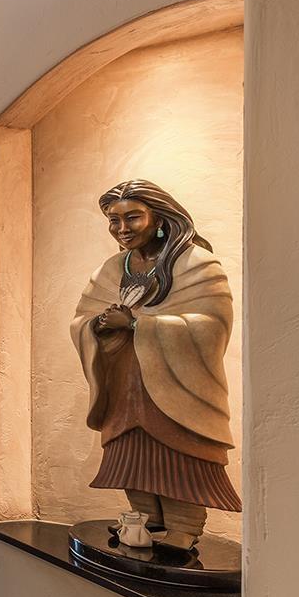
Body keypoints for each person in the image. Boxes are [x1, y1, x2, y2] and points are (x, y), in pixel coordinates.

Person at [71, 179, 239, 550]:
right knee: (128, 452)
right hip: (123, 380)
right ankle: (144, 517)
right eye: (113, 220)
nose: (122, 228)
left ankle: (184, 526)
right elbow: (82, 316)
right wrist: (96, 325)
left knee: (180, 453)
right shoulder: (112, 268)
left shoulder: (197, 264)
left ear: (159, 218)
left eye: (132, 217)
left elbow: (213, 325)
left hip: (178, 386)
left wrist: (135, 323)